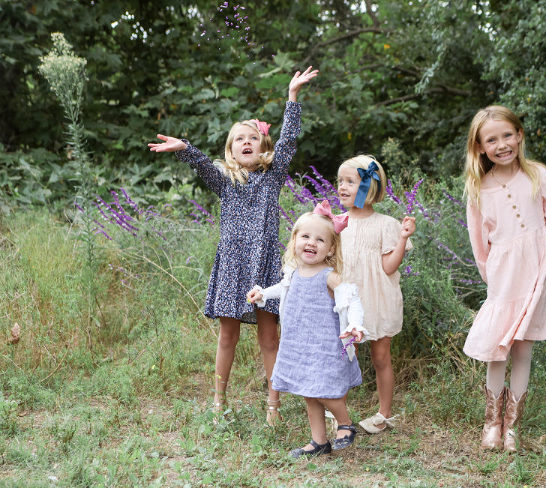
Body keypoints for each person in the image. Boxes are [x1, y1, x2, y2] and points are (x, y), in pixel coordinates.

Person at [148, 66, 319, 424]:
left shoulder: (272, 179)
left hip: (265, 266)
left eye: (252, 138)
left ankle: (273, 407)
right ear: (230, 150)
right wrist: (185, 149)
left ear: (263, 148)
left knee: (270, 338)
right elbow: (203, 167)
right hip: (232, 265)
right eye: (238, 139)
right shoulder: (226, 182)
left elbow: (288, 141)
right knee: (228, 335)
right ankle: (219, 402)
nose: (245, 143)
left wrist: (292, 98)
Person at [462, 105, 546, 453]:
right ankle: (492, 422)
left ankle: (513, 427)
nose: (501, 144)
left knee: (523, 350)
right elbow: (479, 244)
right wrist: (494, 281)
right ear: (480, 148)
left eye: (507, 135)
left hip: (535, 272)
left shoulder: (538, 175)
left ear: (519, 135)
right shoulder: (479, 189)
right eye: (492, 139)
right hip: (502, 278)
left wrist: (540, 274)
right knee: (497, 350)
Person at [246, 201, 365, 457]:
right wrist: (262, 294)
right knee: (309, 394)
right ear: (295, 240)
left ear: (331, 249)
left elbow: (350, 297)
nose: (312, 243)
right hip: (300, 345)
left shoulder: (329, 276)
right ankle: (319, 442)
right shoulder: (294, 272)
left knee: (325, 392)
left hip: (325, 346)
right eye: (306, 237)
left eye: (320, 240)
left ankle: (345, 423)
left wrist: (355, 323)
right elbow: (283, 289)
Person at [336, 155, 416, 434]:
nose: (342, 187)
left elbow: (388, 266)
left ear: (368, 186)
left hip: (378, 298)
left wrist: (403, 237)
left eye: (350, 181)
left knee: (381, 356)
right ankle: (338, 412)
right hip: (347, 299)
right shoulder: (337, 222)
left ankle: (384, 413)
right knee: (345, 354)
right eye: (340, 181)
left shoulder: (385, 224)